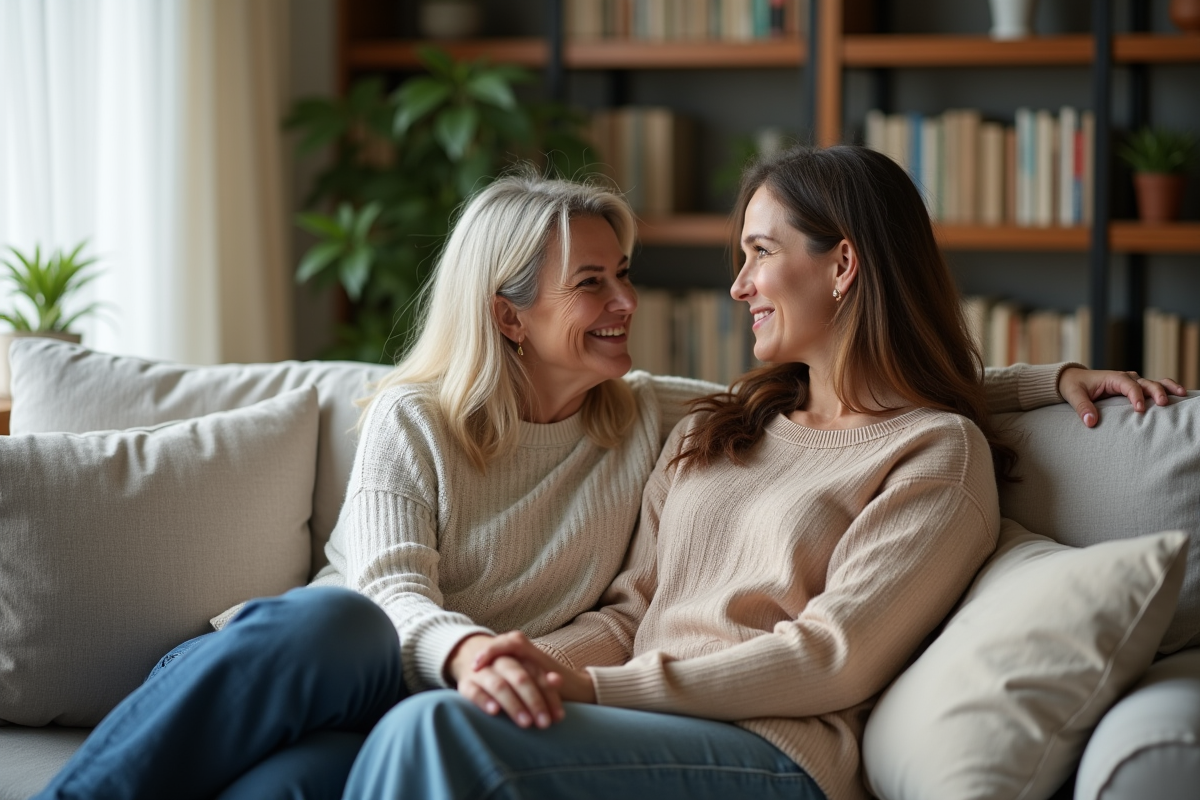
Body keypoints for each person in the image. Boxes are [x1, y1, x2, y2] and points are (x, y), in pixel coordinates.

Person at [35, 168, 1180, 800]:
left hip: (779, 747)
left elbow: (830, 656)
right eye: (597, 282)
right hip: (559, 691)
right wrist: (534, 662)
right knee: (302, 753)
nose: (728, 287)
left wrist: (1050, 378)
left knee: (435, 738)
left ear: (842, 264)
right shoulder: (726, 422)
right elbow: (629, 608)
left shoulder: (931, 453)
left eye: (755, 251)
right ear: (509, 314)